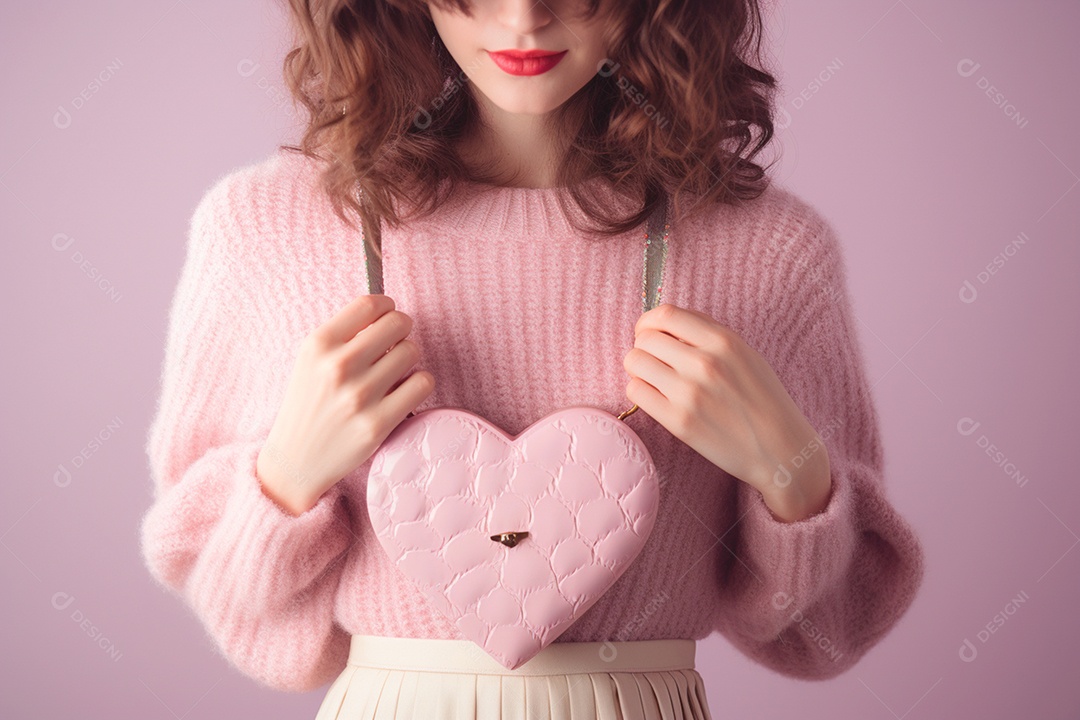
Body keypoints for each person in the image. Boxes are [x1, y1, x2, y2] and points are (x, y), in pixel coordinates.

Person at [138, 0, 926, 717]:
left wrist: (792, 474)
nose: (523, 17)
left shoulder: (771, 251)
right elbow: (227, 600)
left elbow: (830, 633)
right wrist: (285, 480)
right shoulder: (265, 229)